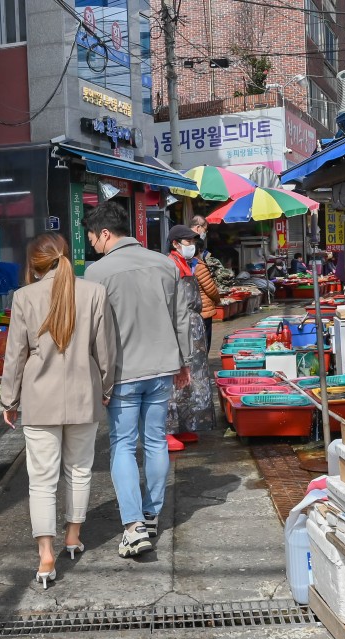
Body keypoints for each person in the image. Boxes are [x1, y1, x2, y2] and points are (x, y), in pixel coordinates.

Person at [0, 233, 116, 589]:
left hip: (38, 399)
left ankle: (46, 555)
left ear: (33, 265)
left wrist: (9, 400)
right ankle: (72, 537)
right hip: (84, 395)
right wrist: (106, 389)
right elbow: (105, 351)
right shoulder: (93, 292)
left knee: (42, 480)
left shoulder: (23, 297)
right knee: (80, 471)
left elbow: (15, 355)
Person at [83, 202, 191, 559]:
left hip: (123, 373)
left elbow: (93, 332)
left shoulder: (96, 274)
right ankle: (151, 514)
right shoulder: (165, 264)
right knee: (156, 441)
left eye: (92, 238)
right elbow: (182, 320)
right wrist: (185, 362)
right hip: (163, 367)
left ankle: (133, 527)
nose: (91, 245)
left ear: (104, 234)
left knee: (124, 445)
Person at [166, 225, 216, 443]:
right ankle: (169, 429)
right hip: (179, 325)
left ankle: (188, 423)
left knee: (194, 377)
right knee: (177, 376)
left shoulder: (189, 264)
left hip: (194, 325)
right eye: (188, 242)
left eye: (193, 242)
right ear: (175, 244)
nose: (192, 246)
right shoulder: (169, 265)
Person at [188, 216, 220, 351]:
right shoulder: (198, 265)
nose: (205, 233)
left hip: (191, 310)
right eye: (204, 229)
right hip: (203, 310)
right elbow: (210, 288)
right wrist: (218, 300)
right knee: (203, 344)